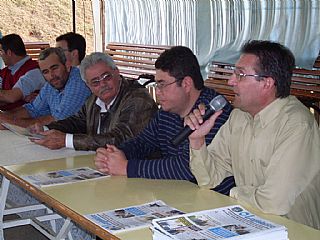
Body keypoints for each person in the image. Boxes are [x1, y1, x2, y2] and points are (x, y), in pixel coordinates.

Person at [185, 40, 320, 229]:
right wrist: (197, 141)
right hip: (250, 224)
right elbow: (209, 178)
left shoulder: (296, 125)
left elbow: (274, 202)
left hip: (292, 231)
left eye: (240, 75)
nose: (231, 81)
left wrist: (234, 193)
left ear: (266, 83)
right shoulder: (239, 117)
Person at [94, 46, 234, 193]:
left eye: (162, 85)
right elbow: (143, 143)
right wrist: (114, 155)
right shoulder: (169, 110)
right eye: (157, 84)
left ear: (186, 84)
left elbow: (188, 168)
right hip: (179, 194)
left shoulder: (214, 113)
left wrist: (126, 167)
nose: (157, 92)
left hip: (214, 199)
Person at [29, 52, 158, 151]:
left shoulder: (138, 99)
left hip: (140, 170)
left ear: (117, 72)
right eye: (95, 82)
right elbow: (76, 122)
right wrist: (46, 129)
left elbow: (120, 138)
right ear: (88, 86)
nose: (102, 84)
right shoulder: (93, 100)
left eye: (106, 77)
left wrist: (66, 140)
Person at [0, 47, 91, 128]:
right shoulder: (51, 85)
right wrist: (5, 117)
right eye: (45, 72)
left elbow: (59, 120)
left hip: (81, 141)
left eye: (54, 68)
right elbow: (32, 109)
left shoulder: (78, 81)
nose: (51, 75)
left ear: (67, 66)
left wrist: (10, 122)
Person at [0, 33, 46, 110]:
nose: (0, 55)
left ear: (9, 53)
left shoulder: (34, 71)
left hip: (27, 119)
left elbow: (12, 97)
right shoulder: (5, 72)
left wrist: (9, 97)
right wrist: (20, 98)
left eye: (1, 51)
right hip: (9, 117)